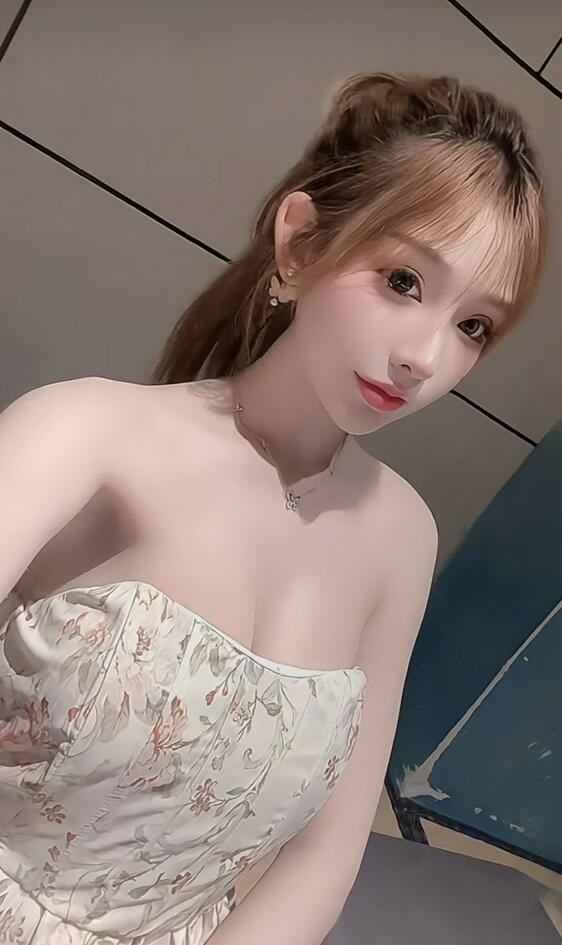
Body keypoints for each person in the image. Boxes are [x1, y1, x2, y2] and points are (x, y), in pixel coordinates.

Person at [0, 71, 547, 945]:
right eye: (404, 279)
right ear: (300, 244)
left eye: (474, 325)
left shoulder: (402, 537)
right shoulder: (82, 433)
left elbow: (323, 862)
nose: (426, 356)